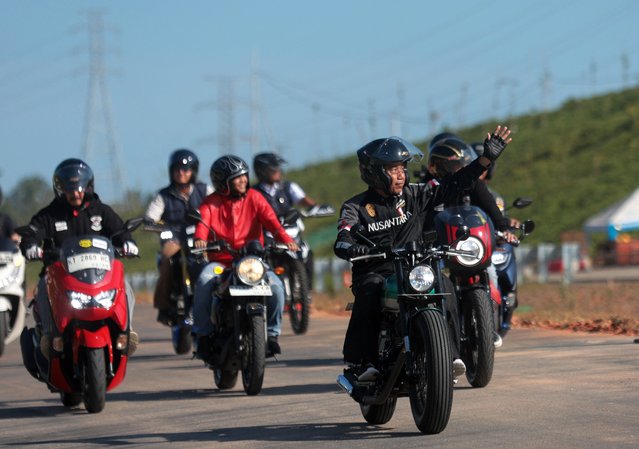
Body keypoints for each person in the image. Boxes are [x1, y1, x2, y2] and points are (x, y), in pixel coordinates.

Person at [333, 127, 512, 382]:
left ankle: (449, 357)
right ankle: (362, 361)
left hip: (414, 268)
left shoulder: (416, 195)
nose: (401, 175)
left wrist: (485, 159)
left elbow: (455, 182)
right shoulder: (356, 207)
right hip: (377, 271)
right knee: (370, 289)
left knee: (445, 283)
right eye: (393, 169)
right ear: (374, 172)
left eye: (402, 168)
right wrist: (353, 248)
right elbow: (342, 239)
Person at [19, 158, 140, 357]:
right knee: (41, 289)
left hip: (100, 275)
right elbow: (33, 232)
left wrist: (128, 243)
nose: (75, 193)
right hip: (59, 276)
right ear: (60, 190)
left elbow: (120, 231)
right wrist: (31, 246)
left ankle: (125, 332)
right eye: (69, 189)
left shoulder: (102, 211)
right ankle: (51, 337)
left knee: (125, 287)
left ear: (88, 187)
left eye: (79, 188)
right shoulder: (49, 215)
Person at [192, 155, 299, 359]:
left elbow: (272, 223)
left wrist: (287, 241)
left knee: (276, 287)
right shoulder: (211, 203)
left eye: (244, 176)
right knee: (204, 280)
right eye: (237, 177)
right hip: (220, 263)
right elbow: (202, 225)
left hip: (252, 263)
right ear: (223, 182)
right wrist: (200, 240)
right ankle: (203, 335)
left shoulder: (255, 197)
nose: (243, 180)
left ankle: (273, 335)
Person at [145, 149, 213, 325]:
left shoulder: (205, 190)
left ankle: (217, 296)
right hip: (174, 239)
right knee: (167, 261)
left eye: (186, 169)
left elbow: (217, 208)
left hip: (200, 238)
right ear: (171, 171)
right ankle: (163, 306)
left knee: (214, 263)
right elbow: (151, 216)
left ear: (194, 171)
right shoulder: (163, 195)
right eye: (177, 169)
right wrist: (152, 223)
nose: (181, 173)